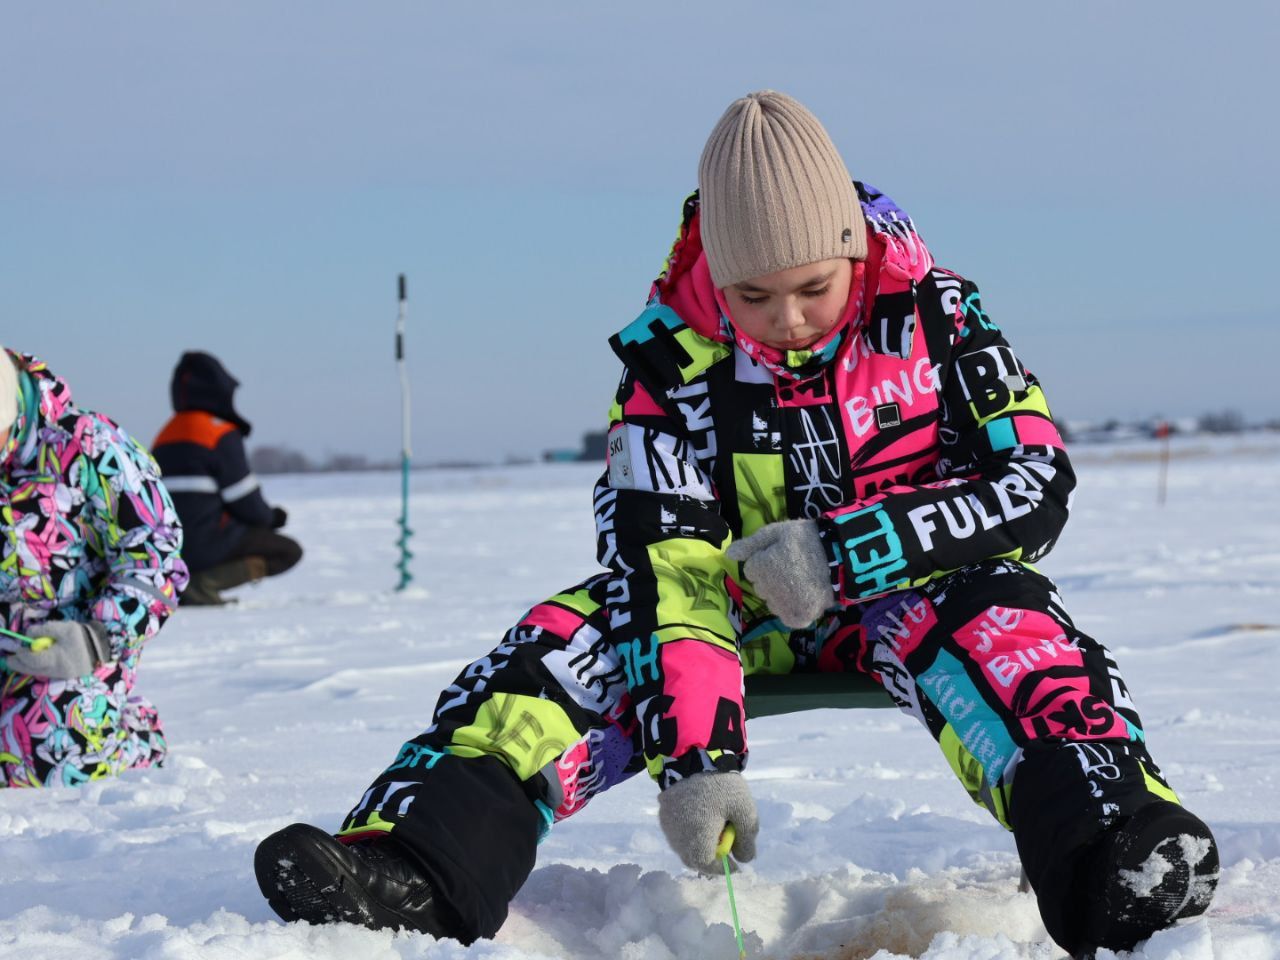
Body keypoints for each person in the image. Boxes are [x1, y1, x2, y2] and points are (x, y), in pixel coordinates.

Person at [253, 92, 1218, 957]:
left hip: (916, 593)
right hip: (726, 612)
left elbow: (1033, 482)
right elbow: (664, 567)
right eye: (751, 296)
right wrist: (697, 761)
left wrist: (845, 553)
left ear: (852, 249)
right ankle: (412, 864)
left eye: (811, 288)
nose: (787, 319)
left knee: (1017, 644)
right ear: (714, 270)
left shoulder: (940, 316)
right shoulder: (667, 367)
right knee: (564, 646)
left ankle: (1111, 851)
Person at [0, 347, 188, 787]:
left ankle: (135, 739)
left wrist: (97, 637)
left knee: (49, 754)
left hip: (75, 650)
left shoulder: (89, 445)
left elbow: (156, 556)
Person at [151, 351, 301, 606]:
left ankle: (185, 583)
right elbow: (246, 502)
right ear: (217, 392)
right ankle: (202, 585)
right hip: (209, 543)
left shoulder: (164, 434)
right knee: (288, 552)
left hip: (168, 548)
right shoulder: (217, 432)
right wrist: (271, 518)